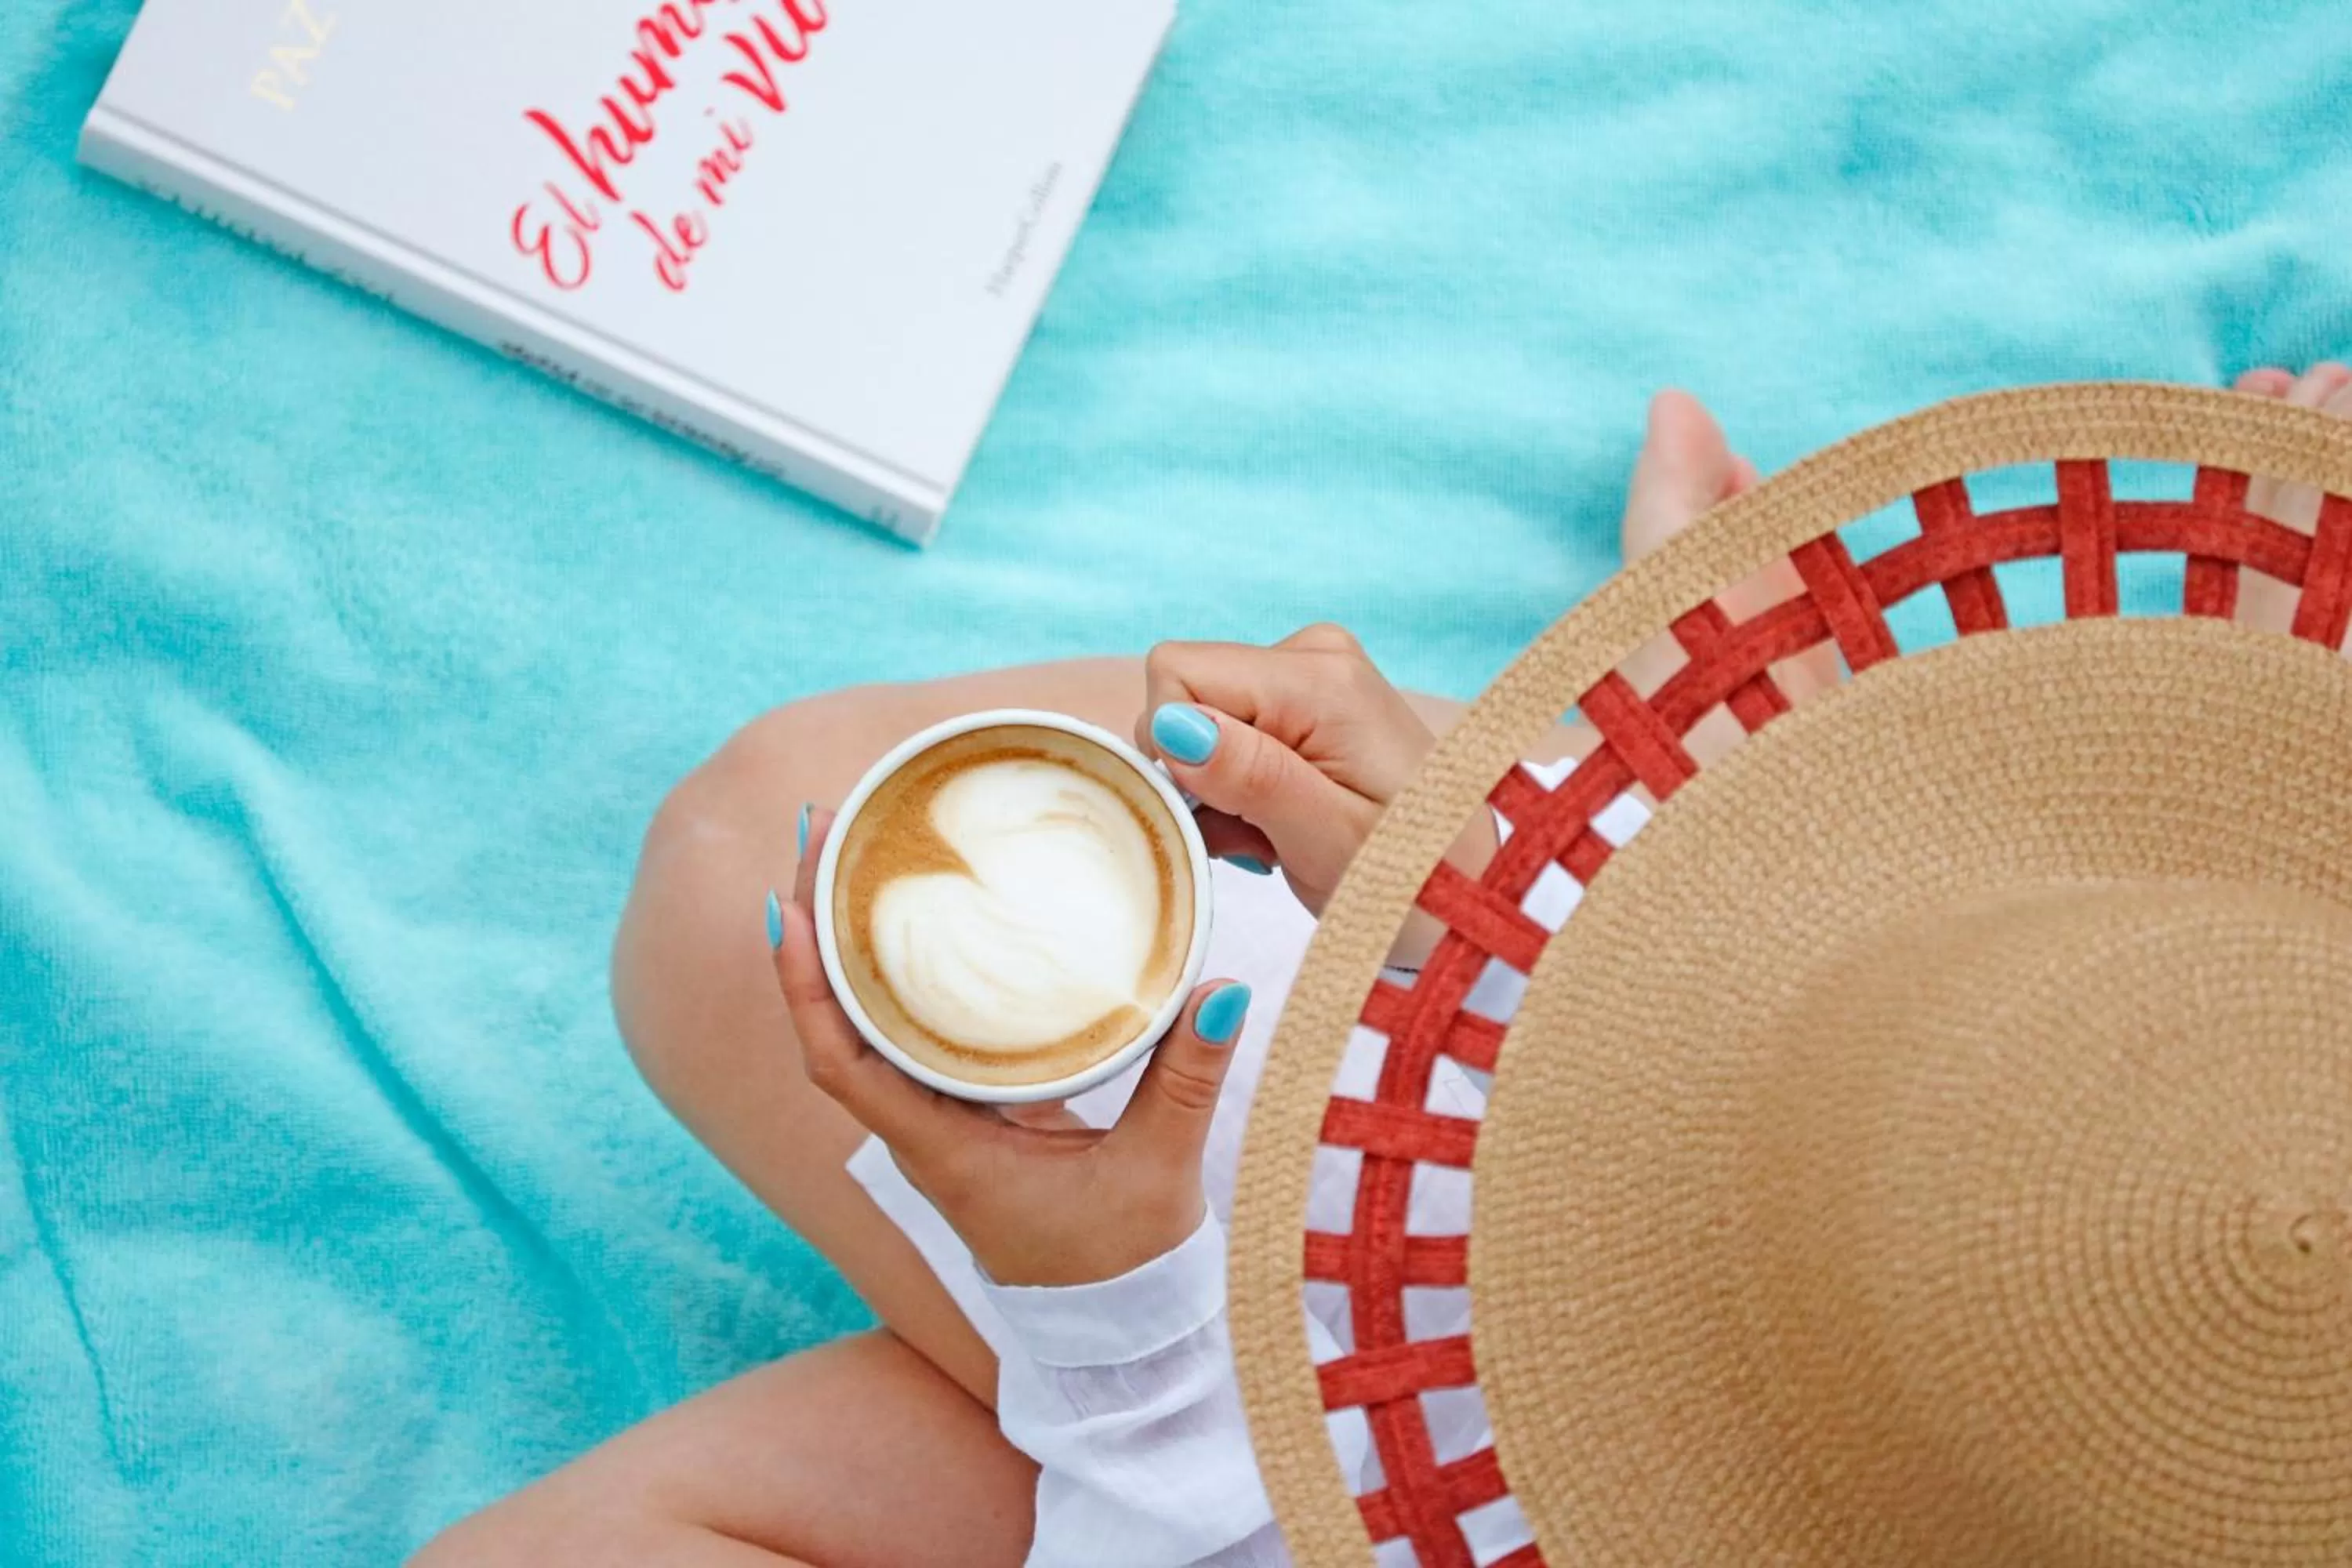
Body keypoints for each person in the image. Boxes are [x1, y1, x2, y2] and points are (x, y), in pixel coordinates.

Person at [416, 365, 2352, 1567]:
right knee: (768, 860)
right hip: (1779, 1072)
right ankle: (1715, 812)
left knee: (742, 880)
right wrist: (1520, 894)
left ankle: (1704, 780)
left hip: (1416, 1474)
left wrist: (1114, 1322)